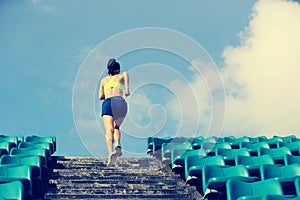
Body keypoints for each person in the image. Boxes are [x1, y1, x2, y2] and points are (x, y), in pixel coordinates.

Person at [99, 58, 130, 167]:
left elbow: (100, 96)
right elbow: (126, 74)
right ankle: (118, 144)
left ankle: (110, 152)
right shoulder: (121, 76)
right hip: (120, 102)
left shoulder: (104, 80)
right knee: (116, 127)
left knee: (109, 129)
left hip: (108, 102)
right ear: (118, 69)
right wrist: (126, 89)